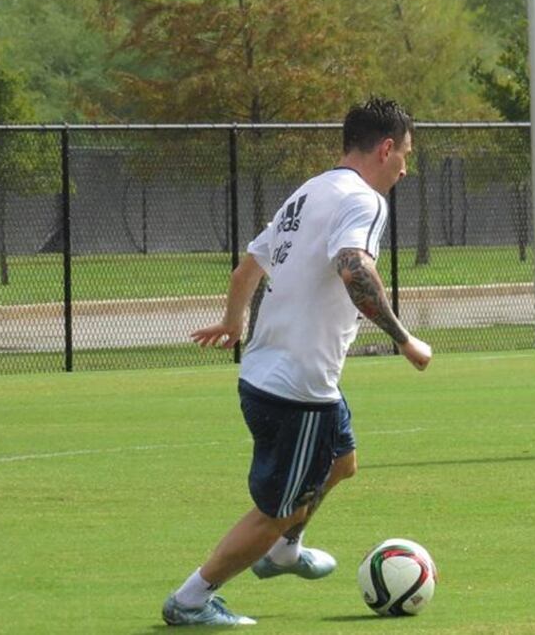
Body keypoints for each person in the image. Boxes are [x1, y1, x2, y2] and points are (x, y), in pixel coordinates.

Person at [161, 97, 432, 626]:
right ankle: (190, 599)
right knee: (277, 509)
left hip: (272, 374)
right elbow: (355, 268)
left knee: (341, 462)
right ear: (385, 148)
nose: (405, 166)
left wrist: (234, 324)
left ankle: (286, 550)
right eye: (405, 154)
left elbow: (247, 269)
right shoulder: (365, 200)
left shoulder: (309, 192)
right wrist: (404, 339)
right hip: (296, 391)